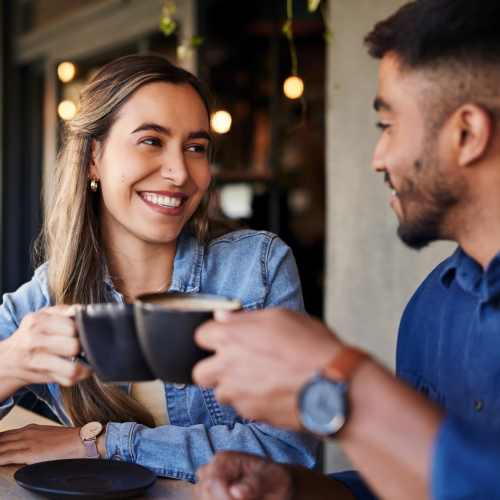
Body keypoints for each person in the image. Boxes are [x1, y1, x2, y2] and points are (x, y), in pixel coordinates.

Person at [192, 0, 500, 498]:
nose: (379, 158)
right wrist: (298, 490)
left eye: (388, 126)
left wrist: (341, 383)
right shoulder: (431, 308)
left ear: (466, 134)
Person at [0, 54, 317, 481]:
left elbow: (287, 449)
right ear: (94, 157)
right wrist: (8, 364)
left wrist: (101, 443)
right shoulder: (51, 291)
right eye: (151, 141)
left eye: (196, 148)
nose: (179, 172)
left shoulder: (254, 268)